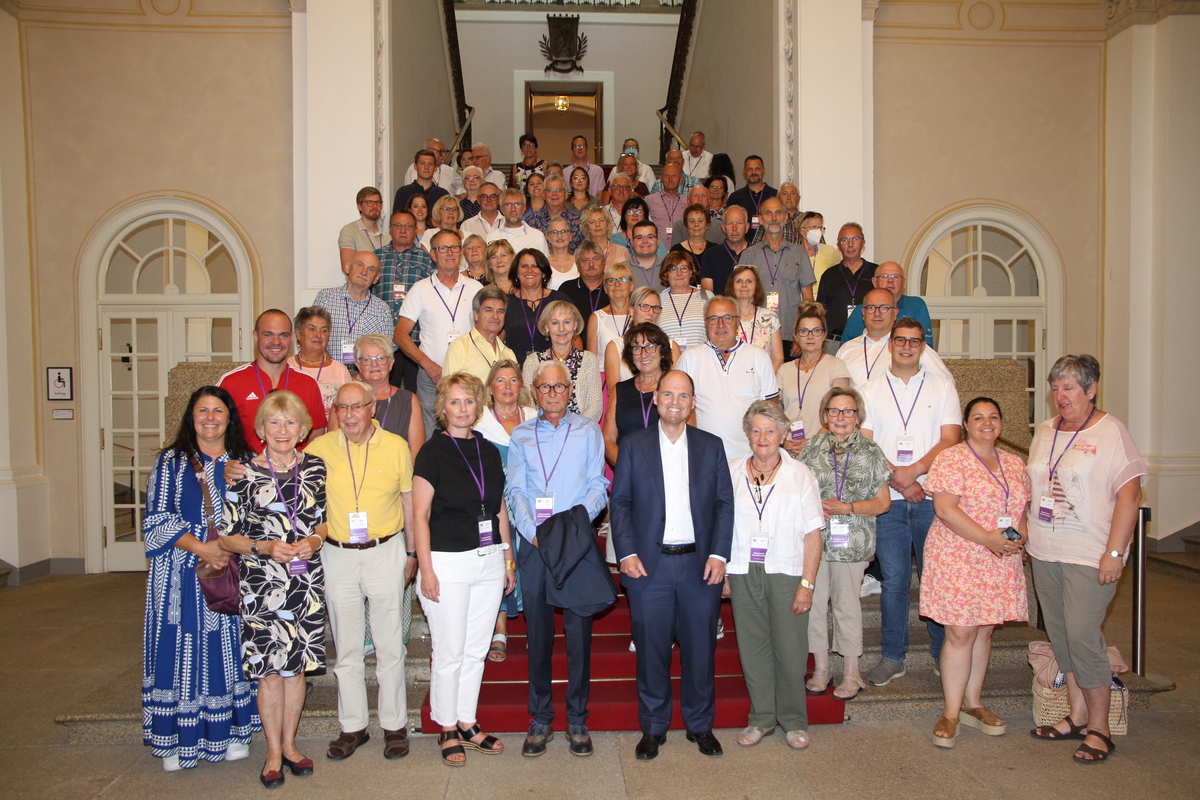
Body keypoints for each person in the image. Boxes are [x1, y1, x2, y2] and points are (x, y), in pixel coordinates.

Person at [1026, 355, 1146, 764]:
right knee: (1061, 637)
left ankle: (1100, 727)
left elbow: (1130, 497)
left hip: (1090, 553)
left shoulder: (1110, 432)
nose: (1060, 396)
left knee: (1082, 636)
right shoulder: (1045, 430)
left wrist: (1114, 553)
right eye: (1056, 388)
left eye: (1070, 388)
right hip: (1045, 550)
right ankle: (1075, 715)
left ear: (1091, 390)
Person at [610, 370, 734, 761]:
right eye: (668, 394)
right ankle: (653, 727)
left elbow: (724, 505)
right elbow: (621, 503)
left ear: (692, 402)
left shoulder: (711, 446)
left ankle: (700, 725)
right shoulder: (633, 445)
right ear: (655, 399)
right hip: (650, 567)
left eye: (683, 395)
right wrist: (626, 553)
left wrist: (719, 554)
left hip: (700, 565)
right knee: (651, 652)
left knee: (701, 651)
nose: (675, 401)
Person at [143, 386, 259, 772]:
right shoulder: (171, 462)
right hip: (179, 573)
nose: (210, 418)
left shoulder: (244, 461)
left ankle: (232, 734)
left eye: (217, 411)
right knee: (178, 651)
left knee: (228, 654)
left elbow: (258, 515)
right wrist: (202, 548)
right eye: (202, 411)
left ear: (230, 417)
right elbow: (157, 520)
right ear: (191, 418)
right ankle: (175, 738)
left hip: (229, 572)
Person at [220, 391, 327, 788]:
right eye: (274, 423)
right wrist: (264, 547)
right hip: (262, 583)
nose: (283, 430)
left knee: (296, 668)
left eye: (291, 423)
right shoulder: (242, 471)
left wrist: (312, 543)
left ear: (302, 429)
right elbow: (226, 536)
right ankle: (272, 751)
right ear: (261, 429)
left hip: (304, 580)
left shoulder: (315, 467)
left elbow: (324, 523)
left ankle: (291, 744)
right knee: (269, 672)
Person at [304, 383, 415, 762]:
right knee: (347, 647)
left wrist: (413, 552)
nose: (349, 415)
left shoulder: (397, 446)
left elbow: (408, 499)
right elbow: (281, 467)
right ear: (335, 412)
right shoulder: (317, 450)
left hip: (386, 550)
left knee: (390, 644)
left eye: (357, 407)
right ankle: (353, 726)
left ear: (373, 409)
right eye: (342, 408)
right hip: (337, 555)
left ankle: (394, 725)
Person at [507, 361, 610, 757]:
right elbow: (515, 489)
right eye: (544, 387)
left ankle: (578, 718)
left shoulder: (587, 431)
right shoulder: (520, 434)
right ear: (533, 392)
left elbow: (597, 484)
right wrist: (533, 532)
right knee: (538, 637)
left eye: (559, 387)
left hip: (575, 542)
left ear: (571, 391)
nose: (552, 393)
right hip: (534, 544)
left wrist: (574, 527)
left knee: (579, 636)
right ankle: (540, 717)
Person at [414, 372, 516, 765]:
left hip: (489, 560)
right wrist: (426, 570)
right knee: (450, 650)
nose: (462, 409)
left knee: (475, 650)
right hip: (446, 561)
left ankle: (468, 721)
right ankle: (445, 726)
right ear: (442, 408)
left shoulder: (489, 451)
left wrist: (507, 559)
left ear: (479, 406)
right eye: (454, 402)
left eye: (469, 401)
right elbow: (419, 516)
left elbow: (499, 507)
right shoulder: (431, 452)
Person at [922, 397, 1031, 748]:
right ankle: (951, 712)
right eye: (978, 417)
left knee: (984, 631)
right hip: (959, 555)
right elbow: (945, 508)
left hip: (998, 558)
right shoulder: (952, 459)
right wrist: (987, 538)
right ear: (966, 424)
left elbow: (1020, 513)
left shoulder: (1014, 464)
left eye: (994, 416)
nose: (987, 422)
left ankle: (974, 703)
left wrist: (1019, 539)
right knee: (960, 632)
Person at [859, 318, 962, 687]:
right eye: (900, 340)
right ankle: (892, 655)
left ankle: (941, 654)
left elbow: (951, 438)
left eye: (914, 341)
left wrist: (916, 472)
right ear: (890, 344)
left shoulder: (942, 385)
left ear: (923, 346)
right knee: (895, 582)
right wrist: (899, 480)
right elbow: (865, 443)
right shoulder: (870, 388)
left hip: (932, 499)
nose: (906, 346)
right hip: (889, 501)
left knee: (936, 580)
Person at [726, 400, 824, 750]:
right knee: (752, 649)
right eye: (756, 430)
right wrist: (723, 568)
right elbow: (721, 525)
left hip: (787, 570)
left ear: (783, 435)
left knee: (791, 650)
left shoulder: (800, 474)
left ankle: (795, 721)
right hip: (742, 569)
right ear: (747, 435)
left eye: (770, 430)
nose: (762, 437)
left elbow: (813, 533)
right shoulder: (732, 470)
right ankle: (762, 718)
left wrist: (807, 585)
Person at [798, 387, 891, 701]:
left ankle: (852, 671)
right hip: (815, 542)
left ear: (857, 416)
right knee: (813, 603)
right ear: (824, 415)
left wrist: (847, 508)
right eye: (834, 411)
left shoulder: (871, 451)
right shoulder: (810, 449)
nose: (840, 417)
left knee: (846, 605)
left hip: (852, 542)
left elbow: (883, 503)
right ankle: (821, 669)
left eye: (847, 411)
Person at [473, 360, 538, 662]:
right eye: (501, 380)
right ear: (490, 388)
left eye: (513, 380)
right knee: (498, 559)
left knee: (533, 561)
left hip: (533, 505)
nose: (508, 386)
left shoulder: (536, 418)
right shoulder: (478, 423)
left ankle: (535, 626)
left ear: (521, 386)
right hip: (493, 505)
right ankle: (500, 628)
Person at [394, 229, 484, 438]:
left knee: (471, 431)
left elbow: (488, 331)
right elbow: (400, 334)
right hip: (431, 376)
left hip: (469, 375)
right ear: (433, 254)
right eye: (442, 248)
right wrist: (427, 364)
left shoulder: (475, 288)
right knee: (429, 435)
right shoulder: (420, 289)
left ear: (461, 252)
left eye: (454, 247)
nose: (449, 253)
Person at [677, 296, 780, 461]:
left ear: (738, 321)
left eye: (727, 318)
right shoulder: (689, 359)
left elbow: (772, 410)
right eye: (713, 319)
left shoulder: (758, 357)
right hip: (704, 457)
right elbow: (682, 410)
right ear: (705, 323)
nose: (720, 325)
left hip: (749, 458)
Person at [219, 309, 327, 453]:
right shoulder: (231, 383)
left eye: (283, 335)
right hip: (248, 472)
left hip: (296, 472)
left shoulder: (308, 384)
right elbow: (216, 435)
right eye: (268, 334)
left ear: (292, 337)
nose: (276, 342)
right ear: (256, 337)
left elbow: (317, 439)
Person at [742, 197, 816, 360]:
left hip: (791, 334)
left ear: (785, 217)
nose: (774, 218)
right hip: (757, 334)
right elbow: (741, 297)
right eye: (768, 213)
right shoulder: (749, 255)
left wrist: (801, 335)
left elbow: (808, 299)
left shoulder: (799, 254)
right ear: (760, 220)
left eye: (778, 213)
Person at [837, 288, 952, 387]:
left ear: (895, 313)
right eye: (871, 307)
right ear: (863, 313)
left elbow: (946, 383)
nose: (877, 313)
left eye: (884, 307)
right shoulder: (846, 349)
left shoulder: (910, 347)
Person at [777, 303, 852, 454]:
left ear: (824, 335)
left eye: (816, 331)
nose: (810, 336)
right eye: (804, 331)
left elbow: (841, 414)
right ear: (795, 335)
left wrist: (813, 442)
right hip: (789, 450)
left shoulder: (836, 366)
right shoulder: (784, 369)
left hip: (823, 448)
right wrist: (783, 440)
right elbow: (776, 412)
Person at [375, 211, 436, 393]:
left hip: (415, 339)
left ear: (416, 230)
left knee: (413, 393)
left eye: (408, 226)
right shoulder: (376, 257)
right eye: (398, 225)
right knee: (383, 392)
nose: (403, 230)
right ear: (390, 229)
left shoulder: (427, 260)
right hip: (384, 339)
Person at [603, 322, 672, 466]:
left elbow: (689, 435)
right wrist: (628, 466)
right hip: (628, 472)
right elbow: (608, 439)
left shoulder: (675, 387)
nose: (644, 354)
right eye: (637, 348)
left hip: (667, 471)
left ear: (662, 351)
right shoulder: (619, 390)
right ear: (631, 356)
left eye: (651, 346)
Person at [313, 250, 394, 373]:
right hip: (326, 371)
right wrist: (333, 369)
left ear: (376, 278)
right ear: (347, 267)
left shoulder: (382, 310)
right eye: (359, 265)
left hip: (365, 377)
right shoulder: (326, 298)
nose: (364, 272)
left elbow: (386, 351)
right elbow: (313, 337)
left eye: (371, 269)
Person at [522, 301, 602, 422]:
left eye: (566, 322)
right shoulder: (532, 362)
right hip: (543, 432)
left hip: (579, 434)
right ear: (546, 327)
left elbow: (595, 407)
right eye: (555, 323)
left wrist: (574, 431)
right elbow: (528, 405)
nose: (561, 328)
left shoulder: (589, 360)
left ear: (575, 325)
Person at [354, 333, 425, 448]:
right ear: (358, 365)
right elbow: (335, 446)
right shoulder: (345, 400)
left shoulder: (409, 401)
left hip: (398, 465)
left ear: (391, 363)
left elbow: (416, 450)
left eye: (380, 358)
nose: (374, 364)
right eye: (367, 359)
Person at [504, 248, 571, 364]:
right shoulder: (506, 303)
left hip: (555, 371)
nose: (529, 270)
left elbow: (575, 338)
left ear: (543, 272)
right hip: (516, 373)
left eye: (535, 266)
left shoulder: (560, 299)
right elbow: (498, 342)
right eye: (524, 266)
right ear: (516, 272)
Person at [288, 306, 351, 428]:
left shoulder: (339, 370)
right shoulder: (286, 367)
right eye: (312, 329)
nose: (318, 335)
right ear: (298, 334)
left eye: (324, 330)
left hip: (331, 440)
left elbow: (348, 411)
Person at [602, 285, 679, 385]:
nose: (651, 312)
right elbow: (614, 392)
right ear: (631, 310)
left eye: (655, 308)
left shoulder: (672, 346)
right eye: (644, 306)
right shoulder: (615, 347)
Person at [815, 222, 878, 345]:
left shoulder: (875, 272)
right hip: (834, 341)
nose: (850, 244)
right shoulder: (829, 275)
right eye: (845, 240)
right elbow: (822, 310)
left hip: (868, 340)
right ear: (838, 246)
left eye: (855, 239)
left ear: (863, 243)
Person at [842, 262, 934, 345]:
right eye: (885, 276)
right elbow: (847, 346)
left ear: (903, 283)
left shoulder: (916, 305)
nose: (890, 281)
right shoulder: (861, 311)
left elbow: (925, 345)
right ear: (874, 282)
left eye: (896, 277)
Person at [442, 284, 516, 383]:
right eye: (488, 310)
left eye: (500, 311)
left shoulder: (508, 354)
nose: (495, 316)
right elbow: (450, 392)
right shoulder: (459, 347)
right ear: (476, 315)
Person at [727, 264, 784, 372]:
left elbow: (778, 358)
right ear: (732, 286)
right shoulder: (725, 319)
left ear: (756, 286)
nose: (744, 285)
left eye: (749, 281)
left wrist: (766, 380)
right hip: (732, 380)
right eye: (739, 281)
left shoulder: (770, 318)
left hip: (764, 380)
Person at [587, 262, 633, 378]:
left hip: (635, 378)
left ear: (632, 285)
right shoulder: (596, 318)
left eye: (623, 279)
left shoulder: (640, 315)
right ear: (606, 288)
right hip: (604, 379)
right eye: (611, 281)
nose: (617, 284)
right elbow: (591, 362)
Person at [658, 250, 709, 352]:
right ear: (666, 274)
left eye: (684, 268)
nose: (679, 273)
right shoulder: (658, 301)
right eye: (673, 269)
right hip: (669, 363)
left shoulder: (706, 297)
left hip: (701, 362)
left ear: (691, 272)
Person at [560, 241, 609, 342]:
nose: (591, 264)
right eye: (585, 260)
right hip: (575, 349)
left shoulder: (614, 288)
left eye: (595, 259)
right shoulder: (566, 289)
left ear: (604, 263)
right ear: (577, 265)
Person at [699, 204, 750, 294]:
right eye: (730, 224)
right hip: (721, 307)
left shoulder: (757, 254)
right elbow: (707, 294)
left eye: (739, 223)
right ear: (723, 228)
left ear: (747, 227)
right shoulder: (710, 255)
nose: (734, 228)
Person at [526, 174, 582, 251]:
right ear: (544, 195)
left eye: (558, 190)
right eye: (550, 190)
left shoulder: (578, 222)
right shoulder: (531, 222)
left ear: (566, 194)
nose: (554, 194)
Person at [485, 188, 548, 256]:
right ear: (502, 209)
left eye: (517, 204)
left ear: (524, 208)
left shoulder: (537, 236)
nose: (513, 209)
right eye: (508, 205)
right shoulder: (492, 237)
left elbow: (545, 265)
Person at [339, 187, 389, 272]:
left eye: (377, 202)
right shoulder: (349, 231)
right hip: (359, 285)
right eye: (369, 202)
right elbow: (347, 267)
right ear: (359, 206)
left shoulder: (388, 238)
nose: (374, 206)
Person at [727, 155, 777, 233]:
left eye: (757, 169)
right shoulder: (735, 197)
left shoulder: (775, 195)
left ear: (764, 170)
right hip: (744, 243)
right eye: (750, 169)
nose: (754, 172)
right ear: (744, 171)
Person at [393, 148, 449, 215]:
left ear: (435, 168)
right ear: (415, 166)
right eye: (422, 163)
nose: (426, 167)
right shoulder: (403, 192)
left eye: (430, 164)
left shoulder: (443, 195)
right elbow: (397, 220)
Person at [796, 211, 841, 288]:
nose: (818, 231)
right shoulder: (793, 254)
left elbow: (839, 277)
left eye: (820, 228)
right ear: (802, 231)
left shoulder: (830, 251)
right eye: (814, 227)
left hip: (822, 299)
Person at [646, 164, 687, 248]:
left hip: (680, 251)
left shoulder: (687, 202)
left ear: (681, 179)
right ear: (661, 178)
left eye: (674, 176)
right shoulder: (649, 201)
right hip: (655, 250)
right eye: (666, 176)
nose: (670, 179)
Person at [580, 205, 629, 269]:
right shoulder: (581, 252)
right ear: (587, 228)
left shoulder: (621, 251)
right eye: (592, 222)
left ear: (608, 224)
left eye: (601, 220)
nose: (597, 224)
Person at [627, 219, 665, 290]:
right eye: (639, 237)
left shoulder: (669, 267)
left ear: (658, 241)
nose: (645, 241)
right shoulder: (622, 269)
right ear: (632, 243)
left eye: (650, 237)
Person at [544, 217, 578, 290]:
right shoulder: (543, 264)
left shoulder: (579, 262)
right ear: (548, 237)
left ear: (570, 236)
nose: (559, 236)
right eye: (554, 232)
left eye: (563, 231)